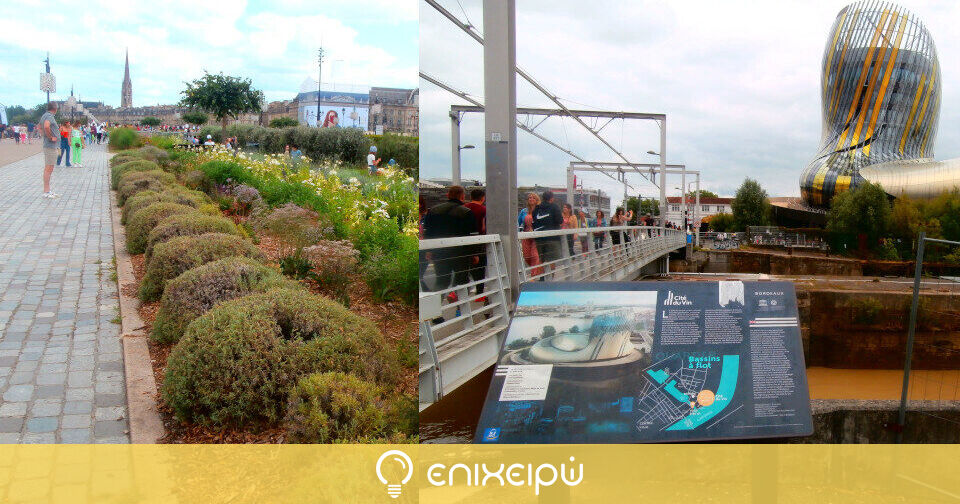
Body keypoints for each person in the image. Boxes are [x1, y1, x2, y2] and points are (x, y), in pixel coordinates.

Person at [422, 185, 477, 297]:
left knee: (441, 281)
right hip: (461, 253)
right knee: (462, 281)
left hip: (439, 252)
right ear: (462, 196)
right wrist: (474, 253)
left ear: (448, 195)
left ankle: (435, 311)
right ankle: (460, 310)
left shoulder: (433, 211)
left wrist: (429, 250)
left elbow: (428, 232)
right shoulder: (467, 212)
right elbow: (472, 235)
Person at [532, 190, 564, 277]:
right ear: (552, 198)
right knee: (551, 260)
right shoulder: (554, 207)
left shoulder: (537, 208)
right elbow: (560, 221)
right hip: (552, 238)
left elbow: (533, 221)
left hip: (538, 238)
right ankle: (550, 278)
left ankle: (540, 279)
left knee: (541, 259)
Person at [463, 188, 487, 298]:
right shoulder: (483, 210)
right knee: (480, 269)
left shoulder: (463, 208)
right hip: (479, 242)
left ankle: (460, 293)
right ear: (483, 198)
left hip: (463, 242)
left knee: (465, 268)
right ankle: (480, 293)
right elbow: (483, 227)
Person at [518, 192, 544, 278]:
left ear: (537, 200)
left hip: (537, 235)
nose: (531, 199)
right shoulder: (524, 211)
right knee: (527, 256)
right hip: (526, 234)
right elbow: (518, 222)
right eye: (529, 198)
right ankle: (539, 270)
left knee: (535, 255)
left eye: (533, 198)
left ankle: (533, 276)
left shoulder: (540, 210)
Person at [39, 102, 61, 198]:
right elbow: (46, 126)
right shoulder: (49, 116)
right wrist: (50, 137)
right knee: (49, 168)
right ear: (55, 108)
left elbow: (39, 127)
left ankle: (47, 190)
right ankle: (46, 191)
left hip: (49, 145)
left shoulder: (44, 115)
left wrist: (43, 135)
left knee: (49, 168)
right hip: (50, 146)